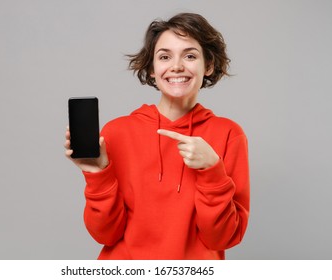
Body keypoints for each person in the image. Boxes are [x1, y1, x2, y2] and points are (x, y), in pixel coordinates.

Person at [64, 12, 250, 260]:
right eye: (164, 56)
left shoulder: (228, 134)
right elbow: (105, 235)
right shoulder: (116, 132)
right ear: (152, 68)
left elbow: (224, 238)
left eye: (190, 56)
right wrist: (98, 176)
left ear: (209, 65)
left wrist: (212, 171)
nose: (176, 66)